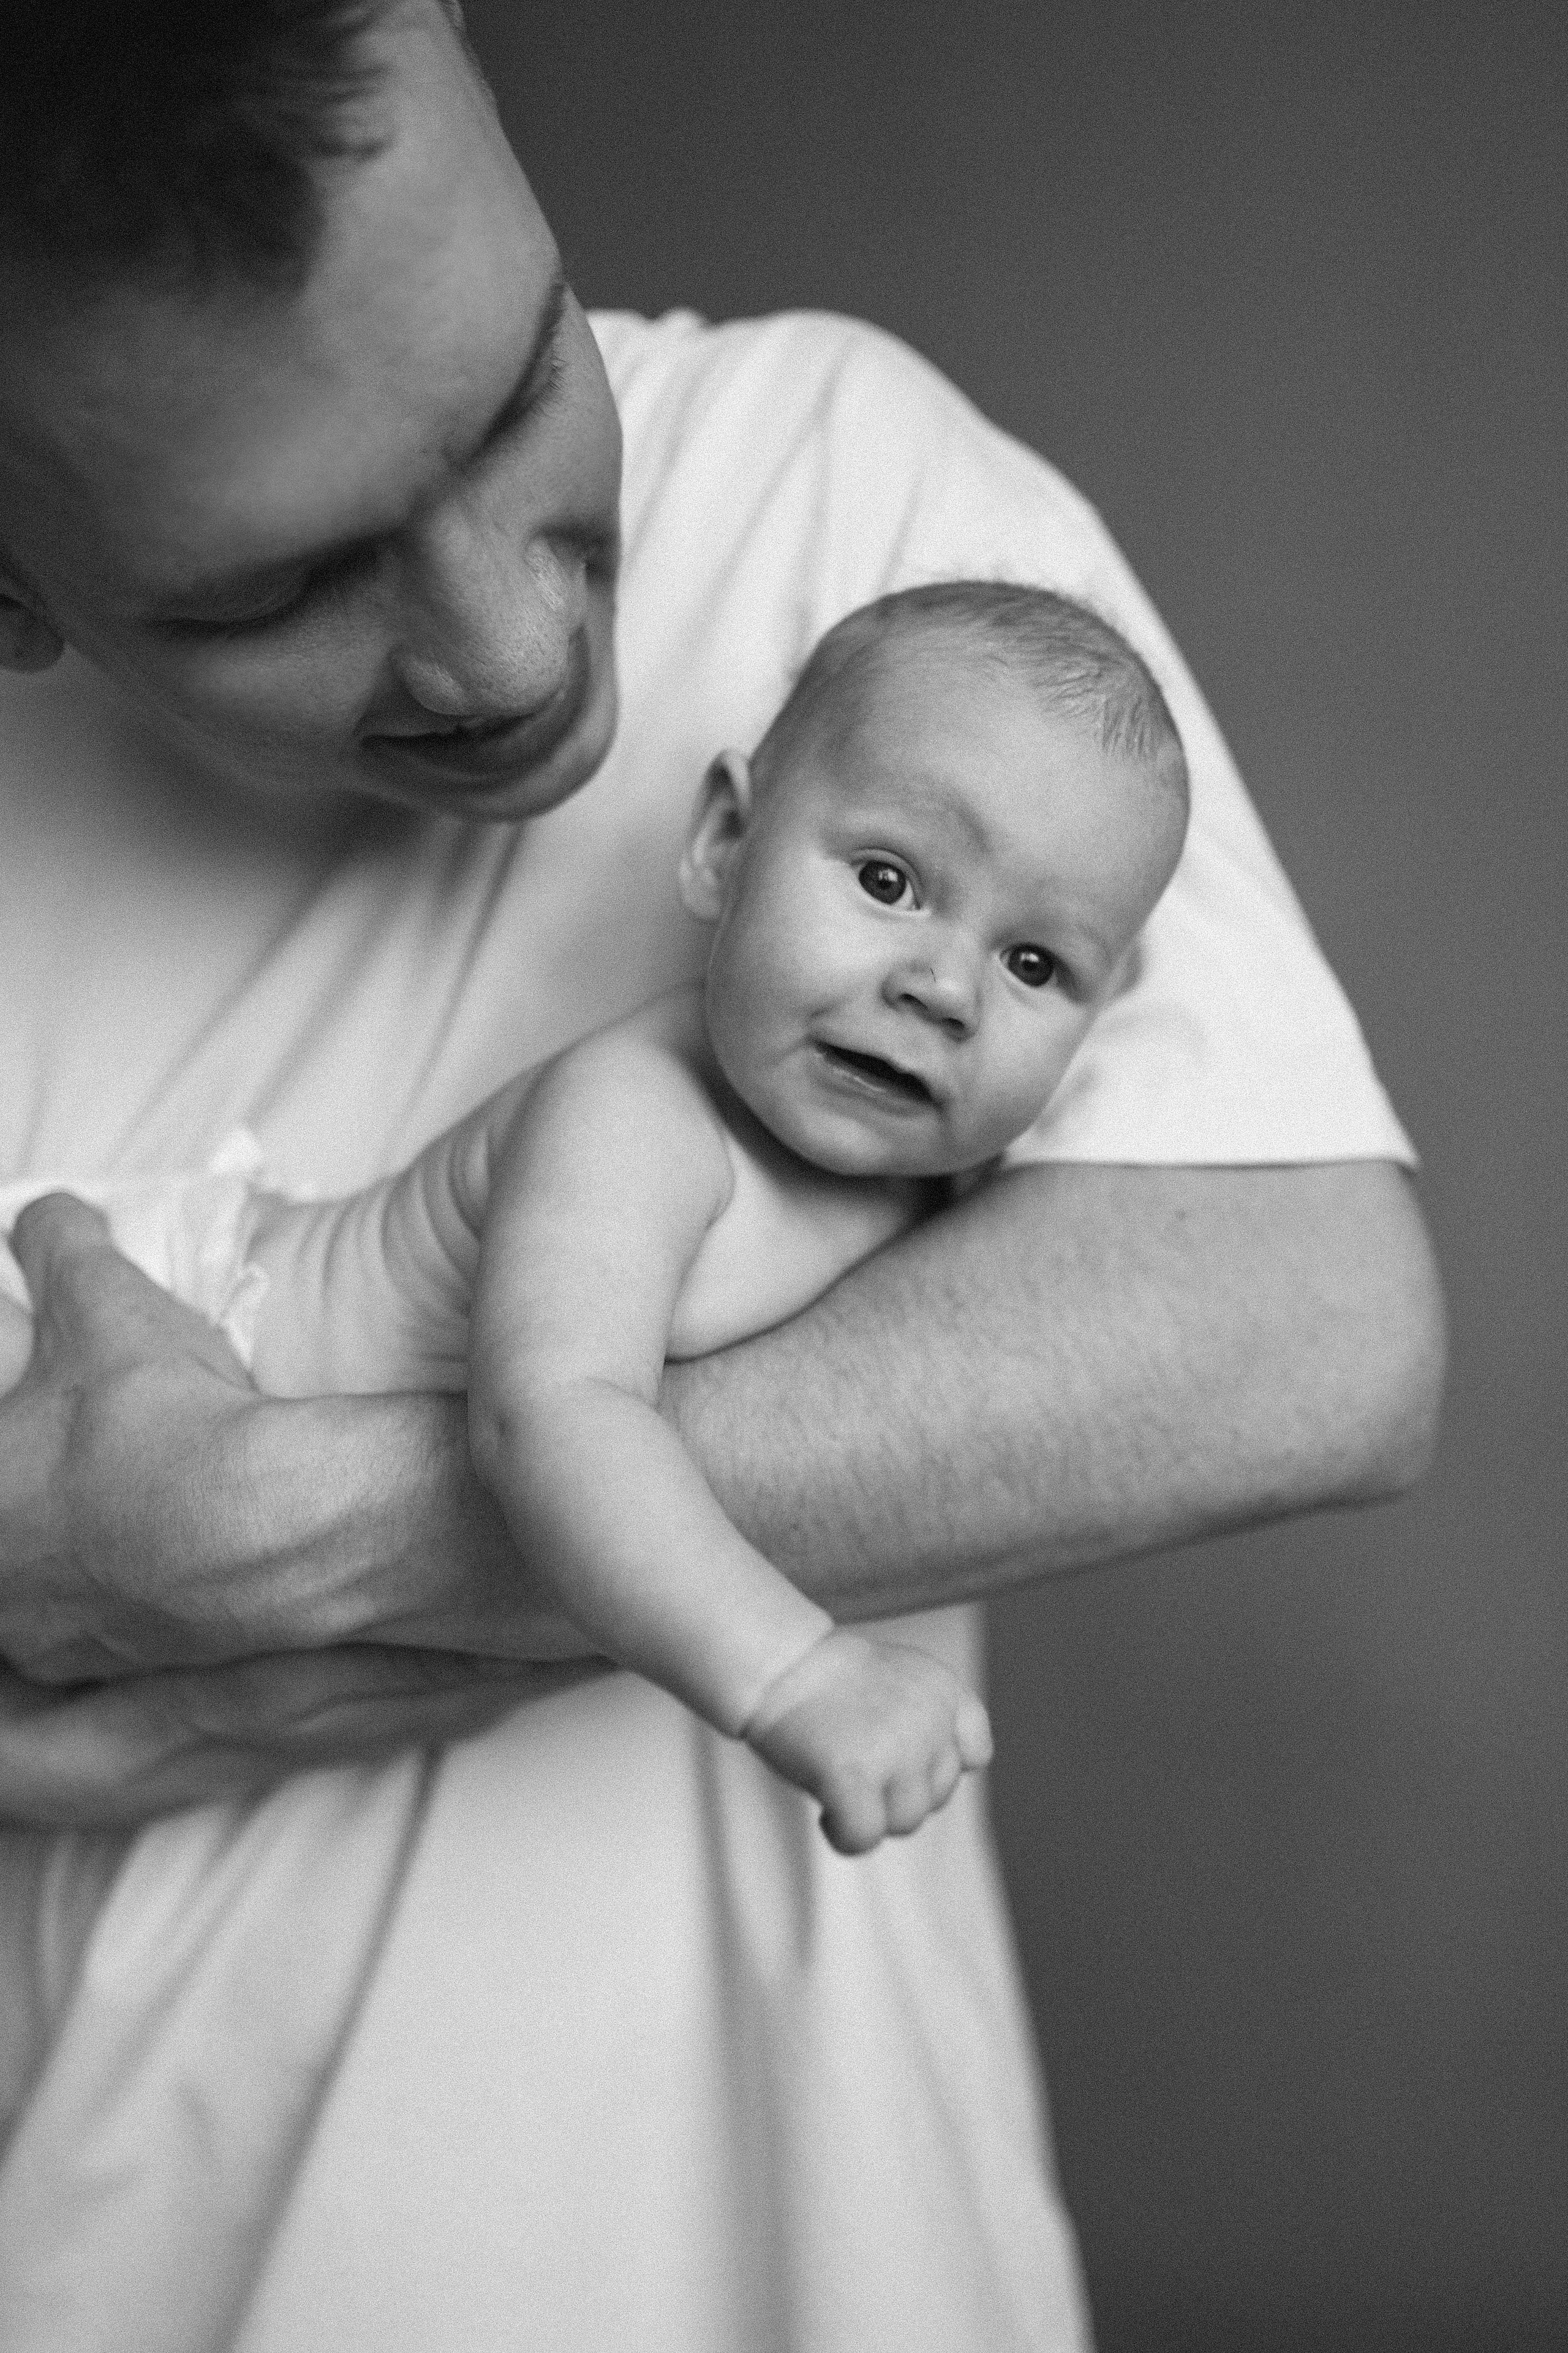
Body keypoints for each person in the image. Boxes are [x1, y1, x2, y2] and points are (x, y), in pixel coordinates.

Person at [0, 4, 1444, 2349]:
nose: (511, 644)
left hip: (790, 2240)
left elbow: (1313, 1325)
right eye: (275, 589)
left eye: (513, 393)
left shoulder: (854, 513)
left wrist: (241, 1552)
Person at [0, 582, 1189, 1856]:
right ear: (726, 843)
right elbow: (551, 1419)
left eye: (1033, 965)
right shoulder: (640, 1116)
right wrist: (794, 1673)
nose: (944, 986)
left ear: (1101, 1004)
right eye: (889, 879)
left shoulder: (939, 1190)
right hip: (152, 1309)